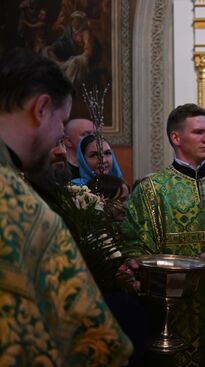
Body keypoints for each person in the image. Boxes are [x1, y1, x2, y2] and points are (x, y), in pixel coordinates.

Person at [0, 48, 132, 365]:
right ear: (41, 108)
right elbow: (96, 341)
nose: (62, 136)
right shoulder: (18, 204)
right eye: (63, 122)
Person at [121, 103, 205, 366]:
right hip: (171, 313)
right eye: (198, 132)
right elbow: (134, 244)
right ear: (176, 138)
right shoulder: (152, 189)